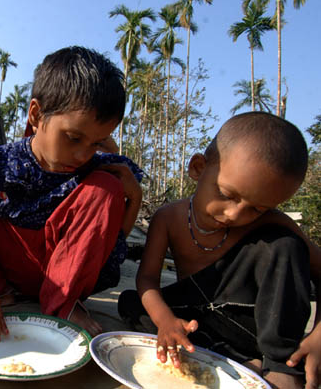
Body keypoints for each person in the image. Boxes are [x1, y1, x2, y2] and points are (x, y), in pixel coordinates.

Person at [0, 46, 143, 341]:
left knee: (108, 188)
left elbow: (109, 240)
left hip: (65, 275)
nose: (82, 154)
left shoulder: (99, 168)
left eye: (96, 143)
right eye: (73, 137)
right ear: (36, 114)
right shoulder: (2, 162)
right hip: (7, 269)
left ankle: (62, 304)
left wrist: (135, 199)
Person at [118, 112, 321, 389]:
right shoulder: (168, 218)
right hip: (200, 320)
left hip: (255, 323)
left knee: (285, 245)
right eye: (227, 194)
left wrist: (319, 336)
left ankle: (279, 364)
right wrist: (166, 321)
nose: (235, 214)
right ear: (198, 168)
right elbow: (148, 280)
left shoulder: (271, 221)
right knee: (133, 304)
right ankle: (238, 360)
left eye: (256, 208)